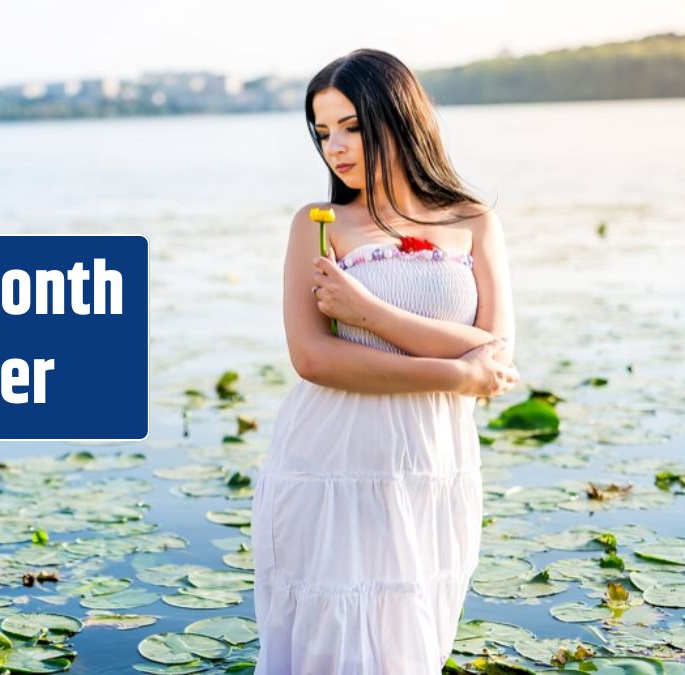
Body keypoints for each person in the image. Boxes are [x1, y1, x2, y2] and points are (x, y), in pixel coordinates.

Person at [251, 49, 519, 673]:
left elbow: (497, 353)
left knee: (413, 641)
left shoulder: (473, 221)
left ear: (399, 118)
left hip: (433, 460)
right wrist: (457, 371)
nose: (335, 148)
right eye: (322, 132)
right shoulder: (320, 224)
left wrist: (371, 314)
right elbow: (314, 358)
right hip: (335, 460)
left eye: (351, 126)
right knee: (334, 640)